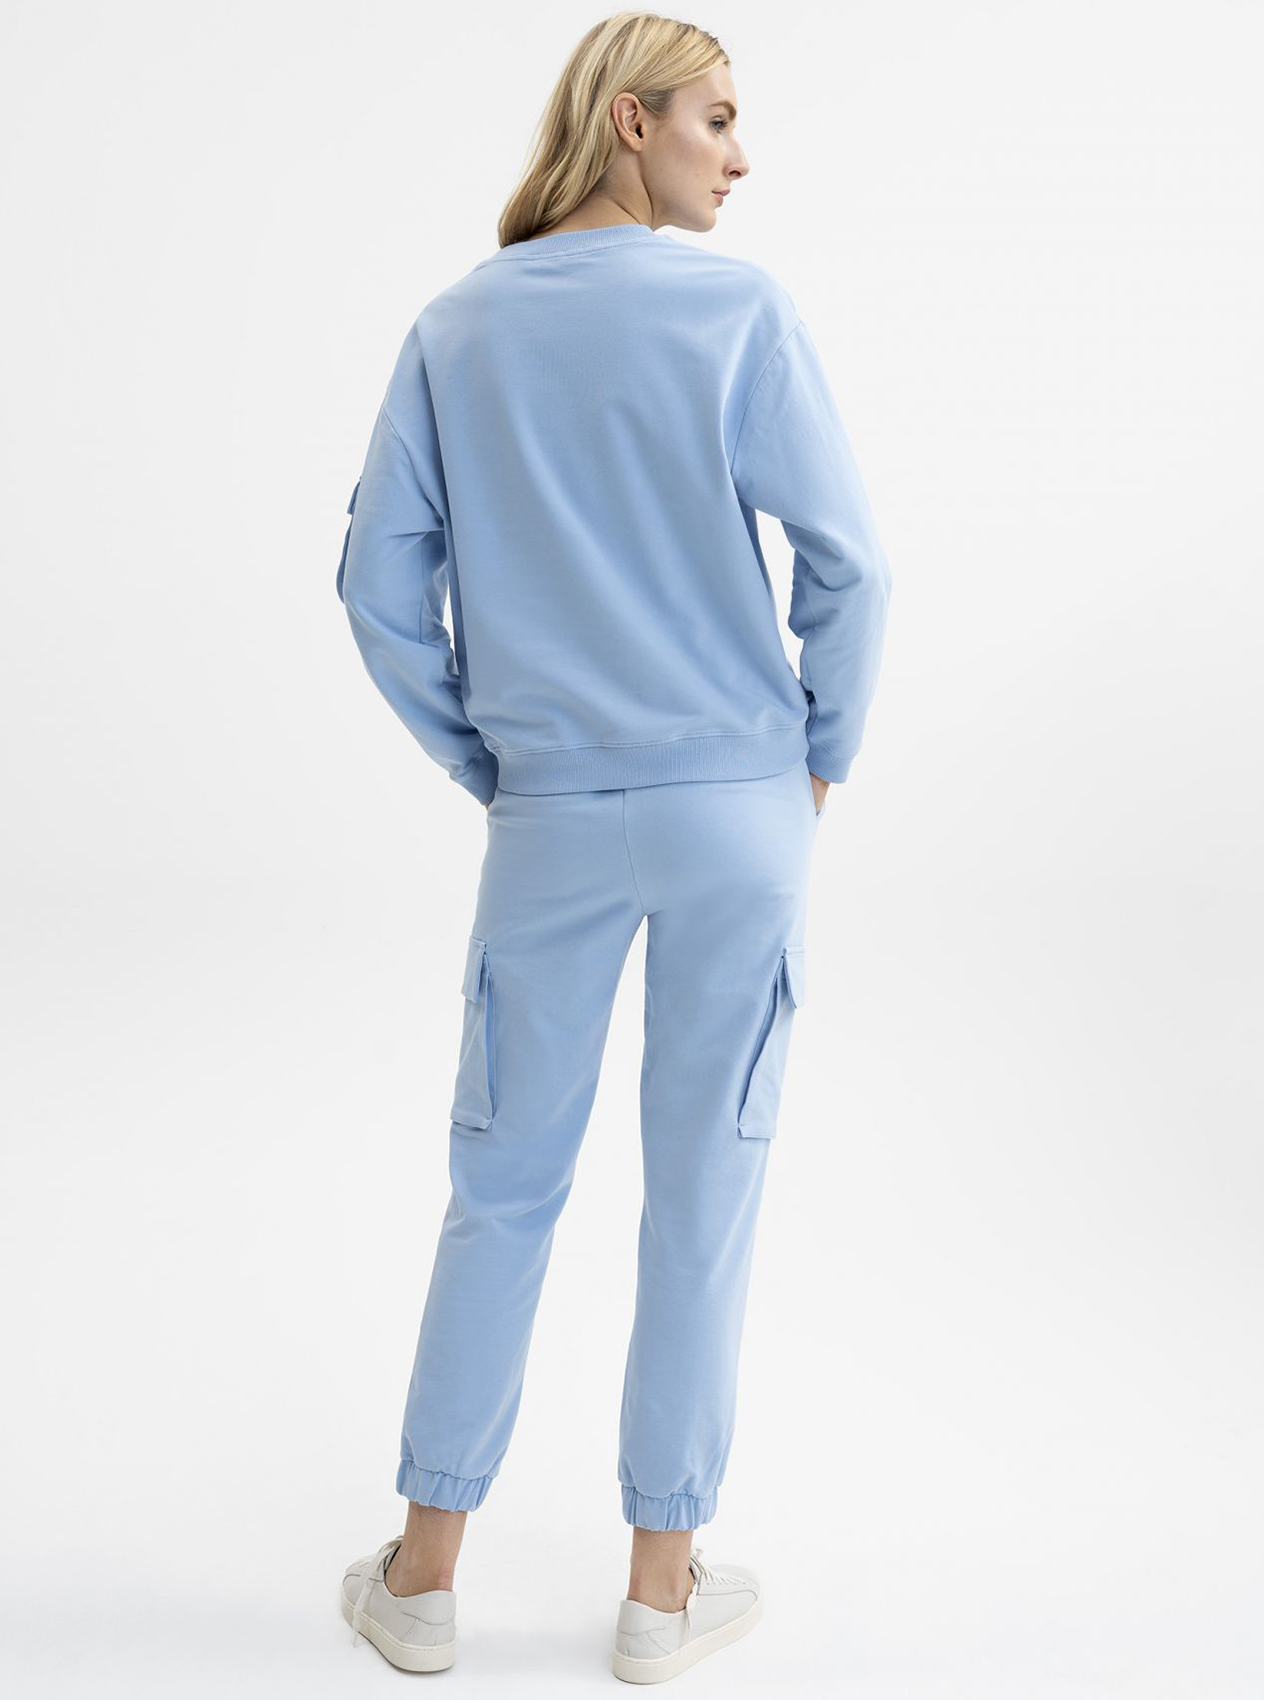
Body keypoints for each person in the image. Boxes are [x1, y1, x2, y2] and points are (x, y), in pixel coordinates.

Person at [334, 11, 891, 1684]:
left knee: (501, 1188)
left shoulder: (457, 327)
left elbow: (377, 587)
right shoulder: (740, 312)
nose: (742, 153)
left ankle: (422, 1582)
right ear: (631, 122)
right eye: (718, 117)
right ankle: (661, 1595)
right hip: (740, 814)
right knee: (704, 1196)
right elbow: (852, 565)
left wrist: (491, 757)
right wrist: (818, 757)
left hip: (553, 819)